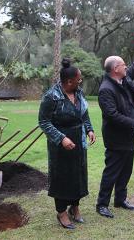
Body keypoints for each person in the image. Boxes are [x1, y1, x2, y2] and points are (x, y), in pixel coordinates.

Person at [95, 40, 134, 218]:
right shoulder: (106, 90)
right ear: (115, 69)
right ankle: (102, 204)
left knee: (126, 169)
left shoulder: (124, 79)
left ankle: (120, 199)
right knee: (112, 171)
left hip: (128, 136)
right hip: (116, 137)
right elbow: (113, 115)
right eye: (122, 65)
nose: (126, 67)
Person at [38, 59, 96, 229]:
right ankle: (61, 212)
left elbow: (84, 114)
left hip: (79, 140)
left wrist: (89, 129)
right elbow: (44, 121)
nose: (81, 81)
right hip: (60, 145)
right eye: (79, 79)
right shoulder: (51, 97)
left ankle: (75, 208)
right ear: (69, 81)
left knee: (78, 175)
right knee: (62, 177)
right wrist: (61, 138)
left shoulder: (79, 92)